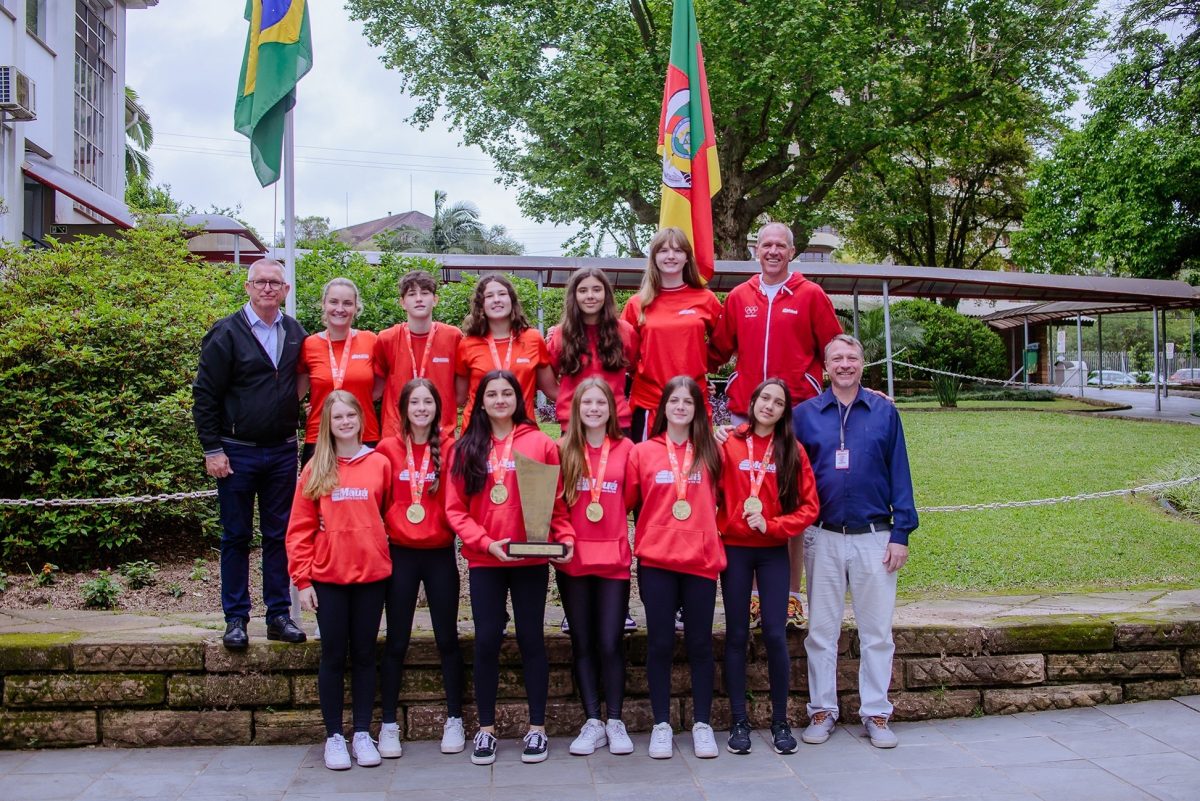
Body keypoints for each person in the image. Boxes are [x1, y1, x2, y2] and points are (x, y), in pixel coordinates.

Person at [709, 222, 843, 630]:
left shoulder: (811, 295)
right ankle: (752, 598)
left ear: (791, 251)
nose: (772, 251)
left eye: (779, 245)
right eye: (765, 244)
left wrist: (859, 395)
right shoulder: (738, 297)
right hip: (745, 415)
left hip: (796, 414)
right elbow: (716, 350)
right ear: (755, 250)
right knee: (745, 500)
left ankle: (790, 595)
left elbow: (835, 348)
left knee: (787, 504)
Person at [792, 334, 917, 750]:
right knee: (821, 631)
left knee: (877, 631)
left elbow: (900, 472)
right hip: (822, 536)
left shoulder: (884, 412)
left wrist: (901, 534)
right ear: (824, 367)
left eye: (852, 357)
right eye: (836, 359)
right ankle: (822, 710)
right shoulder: (804, 415)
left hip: (875, 536)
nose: (844, 364)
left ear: (863, 363)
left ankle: (876, 713)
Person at [445, 370, 576, 766]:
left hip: (531, 558)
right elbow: (455, 510)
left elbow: (557, 505)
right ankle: (485, 730)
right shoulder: (466, 447)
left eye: (507, 393)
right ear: (480, 401)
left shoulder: (540, 444)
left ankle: (537, 728)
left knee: (532, 639)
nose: (499, 400)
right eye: (491, 394)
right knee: (486, 640)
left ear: (519, 399)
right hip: (487, 559)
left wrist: (565, 537)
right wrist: (485, 542)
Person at [192, 257, 307, 650]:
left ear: (285, 290)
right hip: (236, 453)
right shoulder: (226, 332)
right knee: (236, 536)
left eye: (275, 283)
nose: (268, 289)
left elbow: (302, 380)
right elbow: (205, 394)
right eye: (260, 282)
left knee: (279, 536)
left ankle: (278, 614)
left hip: (280, 452)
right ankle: (236, 618)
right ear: (247, 287)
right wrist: (212, 449)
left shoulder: (294, 331)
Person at [285, 391, 392, 770]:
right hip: (328, 577)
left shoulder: (379, 463)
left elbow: (388, 514)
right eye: (338, 417)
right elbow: (298, 530)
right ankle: (334, 736)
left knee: (364, 655)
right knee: (333, 655)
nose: (345, 422)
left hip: (370, 576)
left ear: (361, 419)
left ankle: (362, 732)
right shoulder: (315, 469)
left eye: (351, 415)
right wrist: (302, 580)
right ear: (327, 425)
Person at [717, 379, 819, 756]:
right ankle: (739, 721)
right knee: (737, 635)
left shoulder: (791, 449)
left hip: (773, 551)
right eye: (765, 398)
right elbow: (707, 488)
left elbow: (809, 507)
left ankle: (780, 722)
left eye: (778, 402)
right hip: (735, 552)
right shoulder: (727, 441)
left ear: (783, 411)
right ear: (753, 401)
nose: (769, 406)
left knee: (776, 635)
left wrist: (774, 526)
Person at [625, 375, 724, 760]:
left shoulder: (713, 451)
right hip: (657, 561)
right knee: (661, 643)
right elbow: (630, 503)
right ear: (663, 408)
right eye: (674, 401)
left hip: (700, 562)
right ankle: (662, 724)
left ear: (698, 408)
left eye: (688, 401)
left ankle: (702, 724)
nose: (681, 407)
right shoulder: (643, 452)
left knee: (700, 643)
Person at [374, 379, 466, 758]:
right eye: (415, 402)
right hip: (401, 555)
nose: (422, 408)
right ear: (403, 408)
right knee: (396, 642)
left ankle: (455, 719)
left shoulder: (452, 448)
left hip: (440, 552)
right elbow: (376, 505)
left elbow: (461, 502)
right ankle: (389, 724)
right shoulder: (386, 450)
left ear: (437, 408)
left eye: (429, 401)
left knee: (447, 639)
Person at [555, 378, 636, 757]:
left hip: (613, 560)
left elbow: (633, 498)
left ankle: (615, 720)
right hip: (574, 560)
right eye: (586, 402)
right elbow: (556, 507)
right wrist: (564, 536)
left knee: (610, 641)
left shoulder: (627, 450)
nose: (593, 409)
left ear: (612, 408)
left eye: (600, 403)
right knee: (583, 642)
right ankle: (592, 721)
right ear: (576, 408)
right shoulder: (563, 449)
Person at [621, 228, 722, 441]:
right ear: (654, 257)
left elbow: (722, 344)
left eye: (677, 250)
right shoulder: (637, 303)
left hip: (692, 402)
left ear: (687, 257)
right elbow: (625, 352)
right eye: (663, 250)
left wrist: (702, 366)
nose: (670, 256)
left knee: (696, 472)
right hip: (649, 403)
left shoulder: (706, 299)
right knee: (646, 470)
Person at [455, 274, 556, 429]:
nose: (496, 299)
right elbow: (458, 398)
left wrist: (595, 399)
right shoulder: (467, 344)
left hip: (523, 433)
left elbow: (552, 391)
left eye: (502, 294)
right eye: (489, 295)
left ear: (512, 300)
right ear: (481, 305)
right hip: (478, 436)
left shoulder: (533, 339)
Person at [547, 268, 639, 436]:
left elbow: (635, 369)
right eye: (583, 290)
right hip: (573, 425)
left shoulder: (625, 332)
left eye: (597, 289)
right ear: (574, 296)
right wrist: (570, 399)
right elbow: (546, 379)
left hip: (617, 423)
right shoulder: (561, 335)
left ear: (606, 294)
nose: (590, 295)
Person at [297, 278, 379, 465]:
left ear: (356, 308)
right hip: (320, 437)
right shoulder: (309, 345)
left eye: (347, 303)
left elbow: (381, 385)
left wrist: (355, 402)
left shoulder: (371, 341)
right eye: (334, 301)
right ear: (324, 304)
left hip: (364, 435)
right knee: (319, 494)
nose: (340, 308)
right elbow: (297, 392)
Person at [373, 270, 463, 438]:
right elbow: (375, 389)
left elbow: (461, 392)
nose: (419, 298)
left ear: (435, 300)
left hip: (441, 435)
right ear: (402, 303)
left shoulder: (453, 337)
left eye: (425, 293)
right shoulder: (386, 338)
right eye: (412, 294)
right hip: (396, 436)